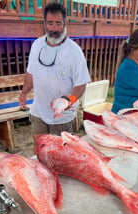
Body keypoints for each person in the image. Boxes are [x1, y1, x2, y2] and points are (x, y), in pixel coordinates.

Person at [19, 2, 91, 143]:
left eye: (58, 23)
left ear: (65, 23)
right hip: (39, 110)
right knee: (40, 146)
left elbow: (81, 84)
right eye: (50, 23)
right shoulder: (36, 45)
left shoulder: (74, 51)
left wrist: (69, 101)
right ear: (44, 23)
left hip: (62, 114)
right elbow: (30, 73)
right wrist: (23, 93)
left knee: (59, 152)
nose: (54, 28)